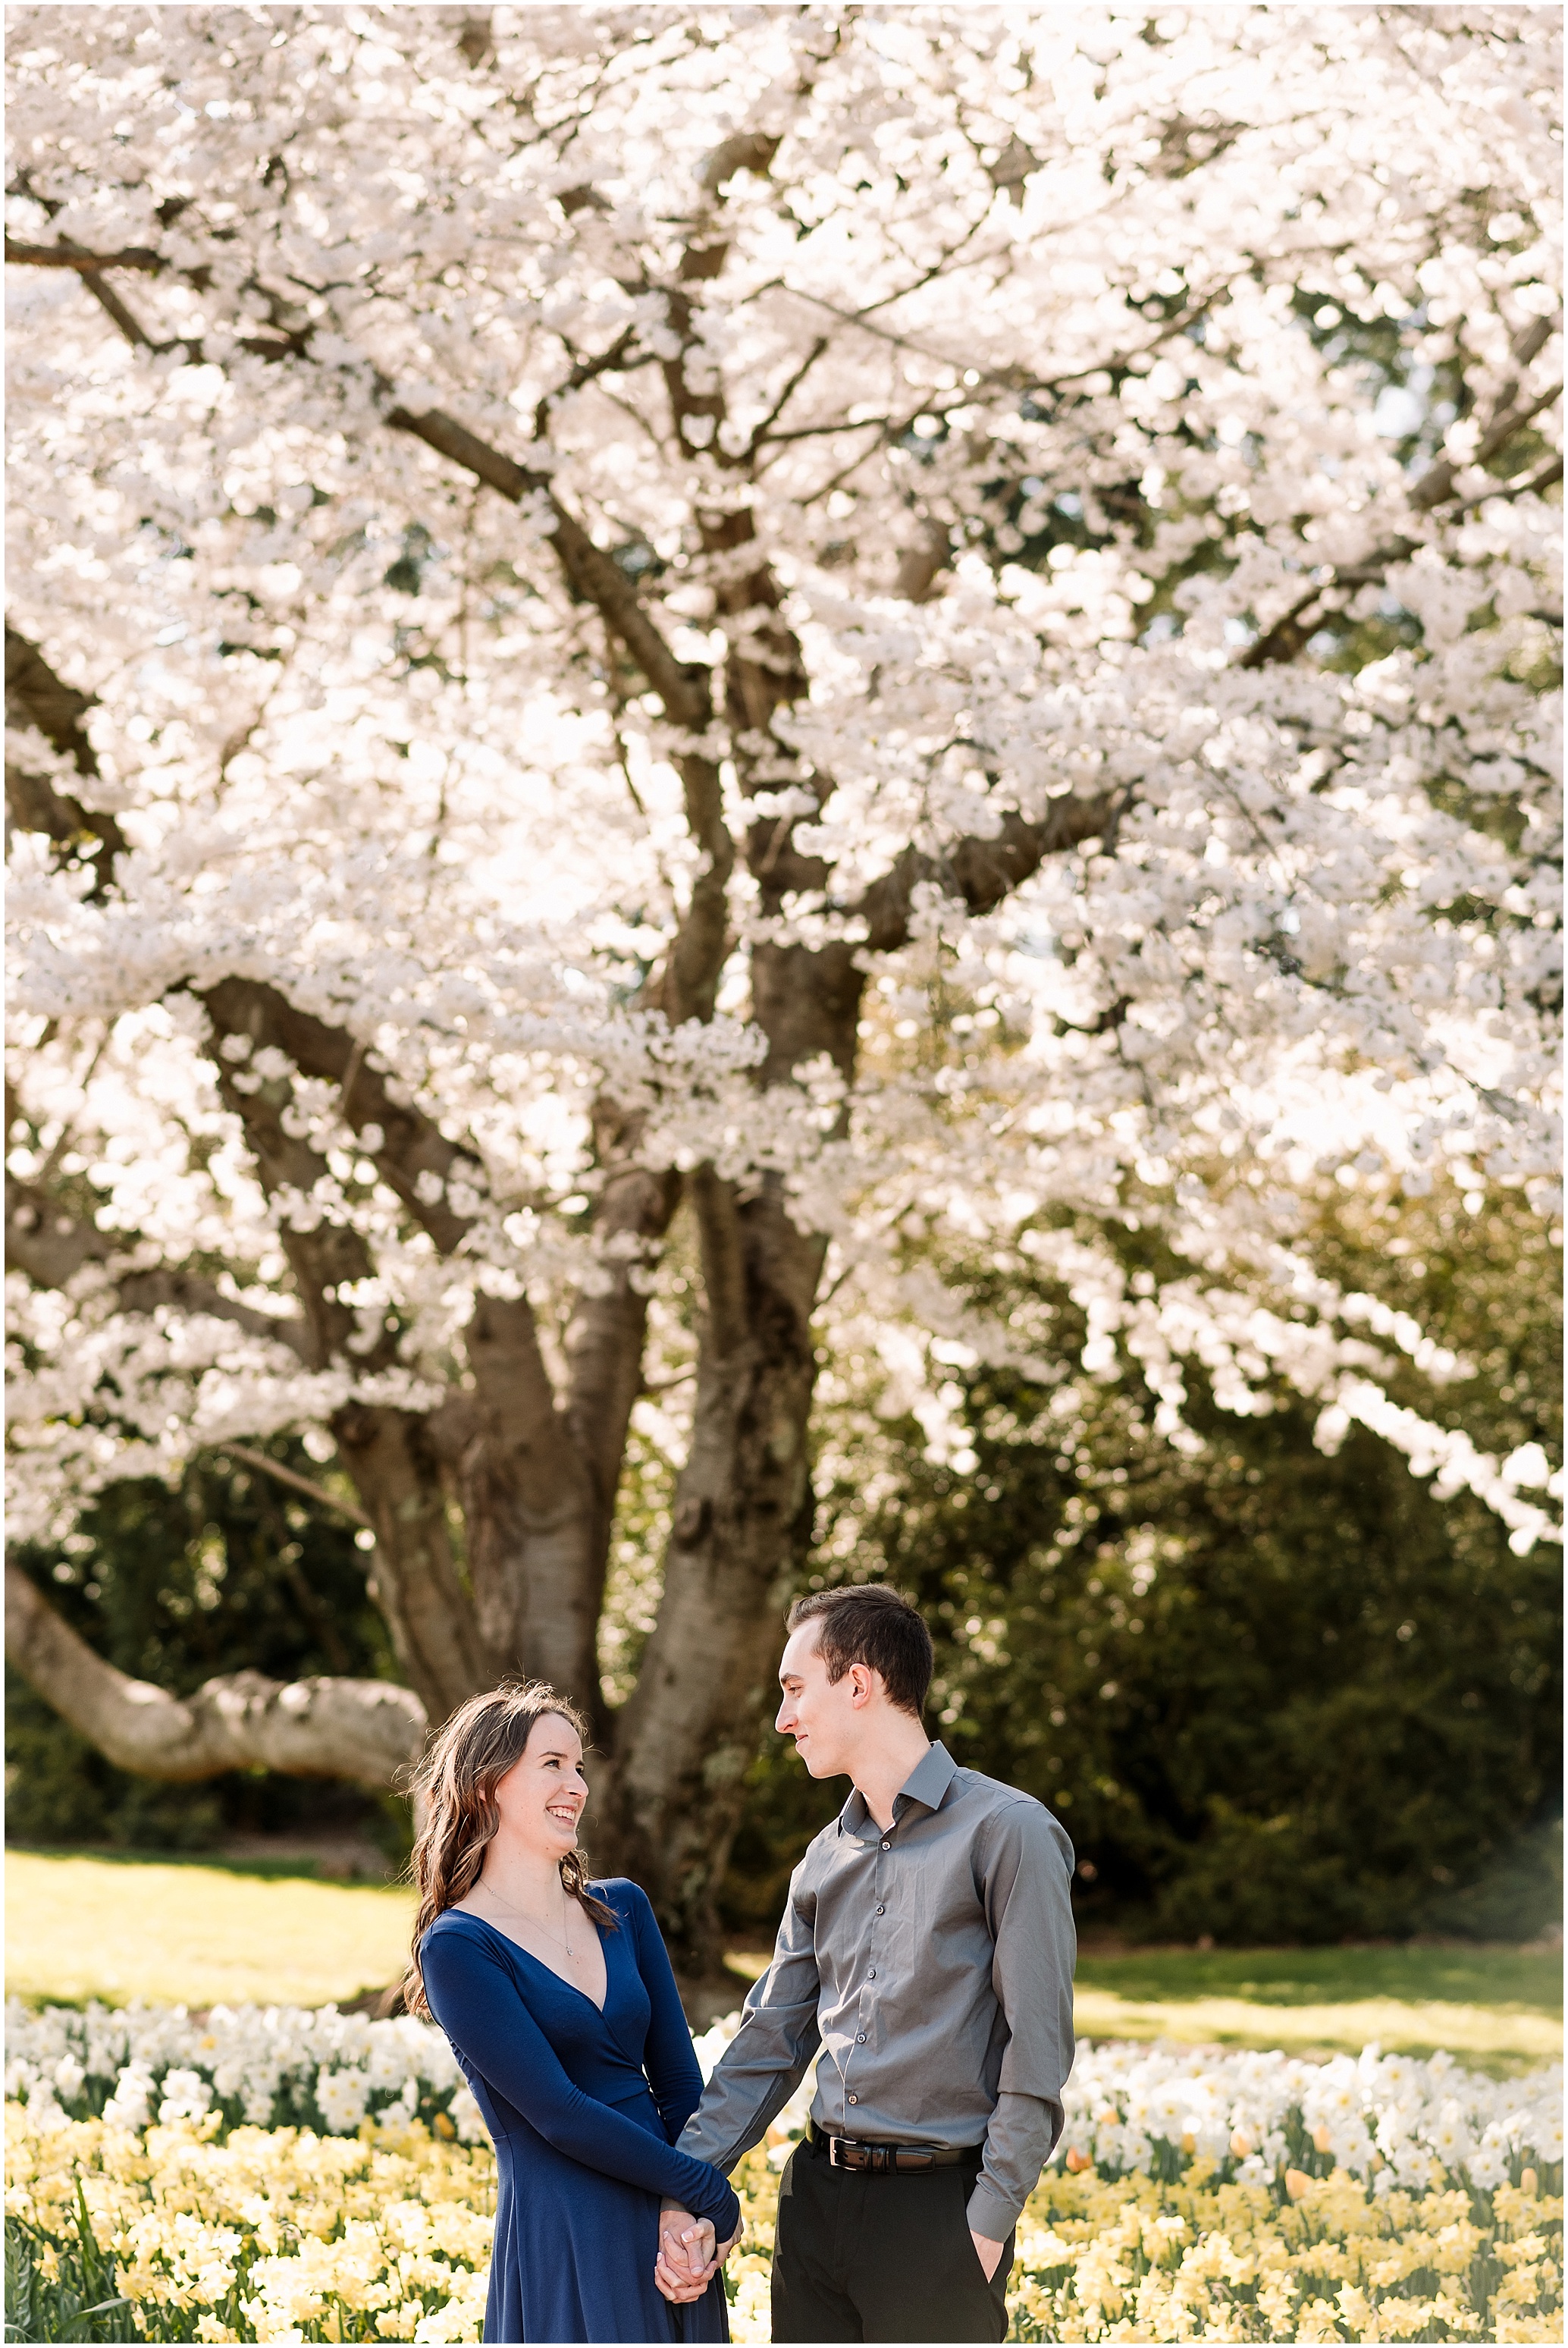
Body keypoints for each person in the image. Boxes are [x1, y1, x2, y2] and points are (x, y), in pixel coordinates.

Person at [656, 1584, 1075, 2343]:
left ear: (859, 1684)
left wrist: (983, 2225)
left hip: (938, 2216)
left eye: (793, 1690)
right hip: (815, 2205)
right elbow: (769, 2039)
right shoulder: (823, 1859)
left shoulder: (1008, 1833)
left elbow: (1036, 2047)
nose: (782, 1720)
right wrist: (684, 2184)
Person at [405, 1681, 739, 2344]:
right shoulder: (457, 1946)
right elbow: (557, 2113)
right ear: (487, 1785)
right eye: (552, 1764)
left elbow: (676, 2079)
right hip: (569, 2230)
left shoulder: (625, 1909)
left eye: (580, 1766)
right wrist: (708, 2192)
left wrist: (686, 2209)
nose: (578, 1784)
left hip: (672, 2235)